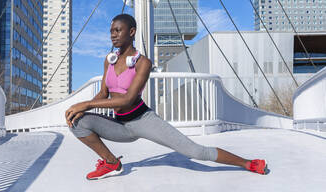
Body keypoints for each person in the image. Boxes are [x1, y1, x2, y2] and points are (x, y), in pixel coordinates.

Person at [65, 14, 268, 180]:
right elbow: (103, 93)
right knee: (77, 121)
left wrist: (87, 103)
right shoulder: (109, 61)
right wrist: (82, 107)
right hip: (119, 125)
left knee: (196, 152)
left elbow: (127, 100)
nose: (113, 35)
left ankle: (248, 163)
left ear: (132, 32)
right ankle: (111, 163)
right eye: (111, 31)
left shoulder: (143, 63)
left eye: (118, 30)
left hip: (142, 120)